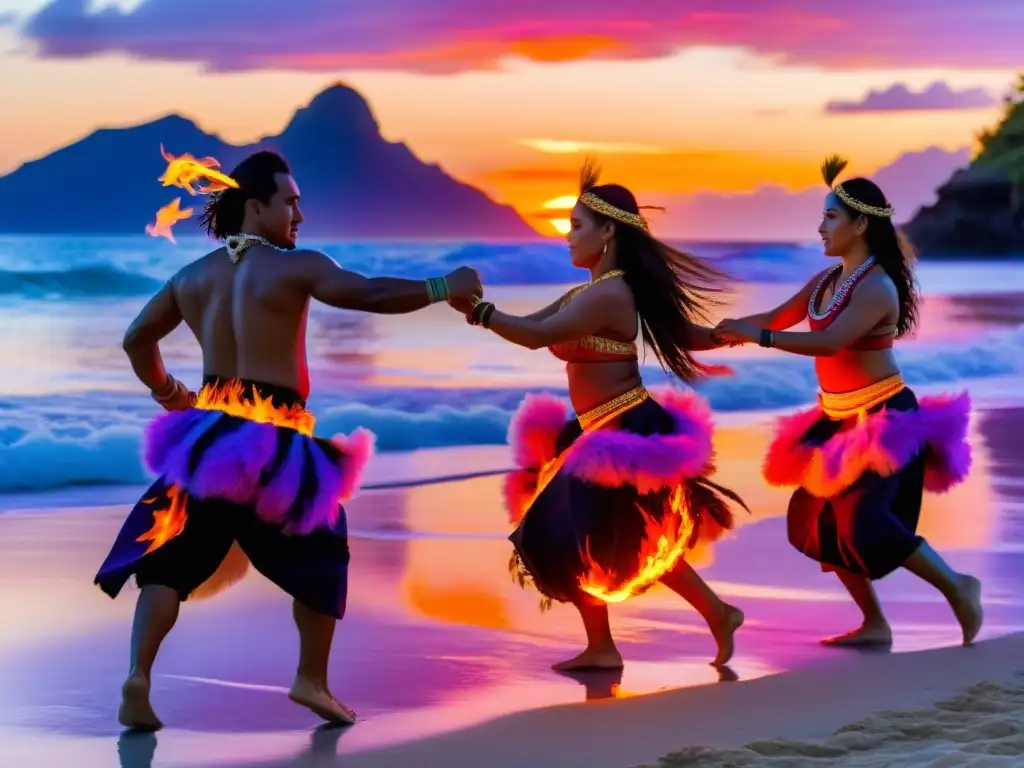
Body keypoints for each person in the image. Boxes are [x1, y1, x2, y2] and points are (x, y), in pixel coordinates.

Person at [94, 150, 483, 730]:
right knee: (323, 551)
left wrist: (171, 393)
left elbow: (135, 340)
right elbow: (370, 295)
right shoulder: (295, 265)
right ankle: (311, 681)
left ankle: (138, 677)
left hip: (206, 437)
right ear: (256, 207)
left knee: (170, 561)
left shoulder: (191, 276)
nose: (300, 213)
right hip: (272, 440)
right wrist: (442, 285)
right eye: (291, 202)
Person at [449, 161, 747, 670]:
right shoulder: (590, 292)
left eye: (577, 226)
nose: (567, 236)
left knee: (585, 536)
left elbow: (537, 337)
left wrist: (477, 312)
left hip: (626, 431)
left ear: (608, 231)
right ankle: (634, 638)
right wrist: (482, 308)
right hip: (594, 432)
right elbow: (532, 324)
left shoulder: (609, 293)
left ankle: (700, 618)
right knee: (593, 536)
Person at [714, 156, 982, 648]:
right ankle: (874, 623)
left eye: (830, 218)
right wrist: (700, 335)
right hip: (837, 420)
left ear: (860, 224)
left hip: (884, 421)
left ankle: (958, 586)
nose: (820, 228)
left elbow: (830, 342)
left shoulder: (877, 286)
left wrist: (761, 337)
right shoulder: (824, 284)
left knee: (868, 524)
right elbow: (773, 315)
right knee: (814, 520)